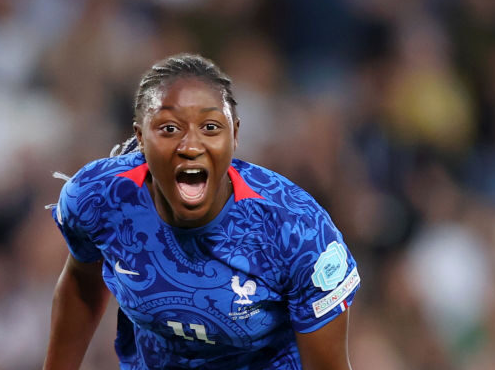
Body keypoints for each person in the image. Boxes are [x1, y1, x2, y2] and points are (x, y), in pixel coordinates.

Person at [43, 53, 360, 369]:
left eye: (210, 127)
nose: (191, 146)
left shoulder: (299, 232)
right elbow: (82, 282)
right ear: (141, 137)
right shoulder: (100, 197)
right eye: (168, 128)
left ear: (235, 135)